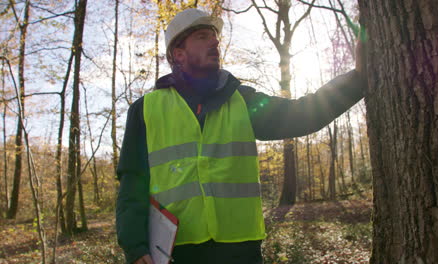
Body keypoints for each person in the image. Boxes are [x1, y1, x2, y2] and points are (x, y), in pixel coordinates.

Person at [116, 8, 366, 264]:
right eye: (202, 37)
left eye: (214, 37)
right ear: (178, 53)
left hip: (240, 250)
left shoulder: (242, 101)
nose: (214, 42)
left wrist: (358, 79)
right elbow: (132, 183)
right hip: (176, 251)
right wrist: (135, 247)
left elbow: (302, 113)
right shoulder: (145, 110)